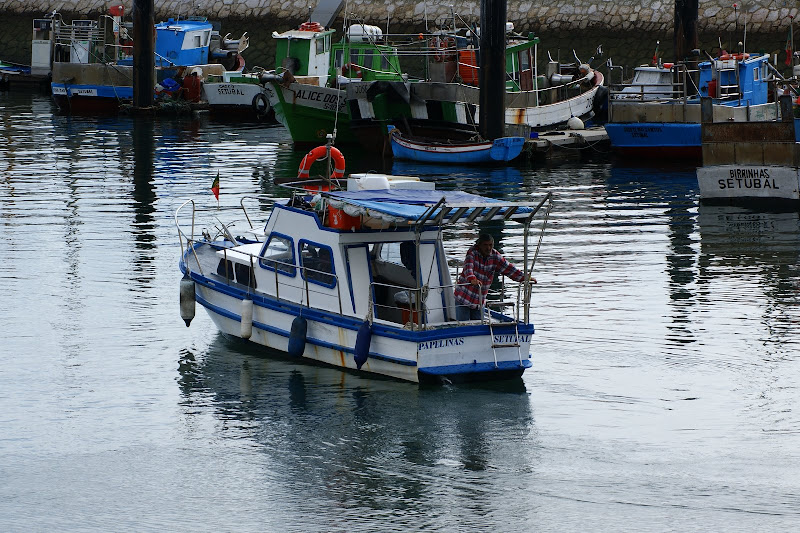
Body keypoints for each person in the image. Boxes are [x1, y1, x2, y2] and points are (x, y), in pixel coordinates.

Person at [454, 234, 536, 321]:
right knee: (464, 324)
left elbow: (509, 269)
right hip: (464, 297)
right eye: (485, 245)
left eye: (490, 245)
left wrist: (526, 278)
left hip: (479, 301)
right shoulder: (472, 252)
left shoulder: (495, 256)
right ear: (479, 245)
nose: (488, 248)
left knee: (479, 324)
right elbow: (468, 268)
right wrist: (472, 279)